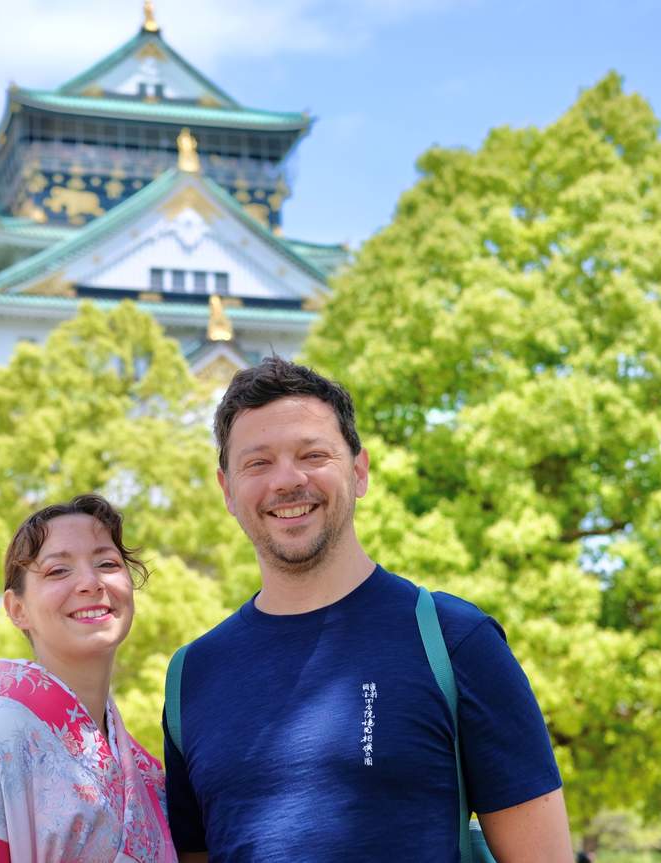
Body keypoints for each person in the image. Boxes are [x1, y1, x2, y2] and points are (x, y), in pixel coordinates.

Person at [162, 357, 572, 862]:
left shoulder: (453, 640)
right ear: (228, 490)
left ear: (359, 472)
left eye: (313, 455)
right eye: (258, 462)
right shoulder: (193, 676)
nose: (287, 481)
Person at [0, 494, 177, 862]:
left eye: (107, 563)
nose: (91, 583)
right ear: (17, 609)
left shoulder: (142, 770)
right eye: (59, 570)